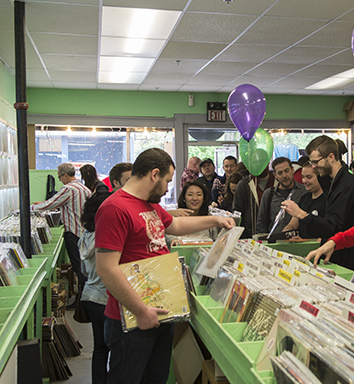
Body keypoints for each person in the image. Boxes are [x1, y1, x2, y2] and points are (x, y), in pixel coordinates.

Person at [95, 148, 235, 383]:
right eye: (168, 181)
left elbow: (176, 226)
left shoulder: (148, 205)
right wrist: (141, 311)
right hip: (132, 317)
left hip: (160, 311)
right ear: (154, 174)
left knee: (156, 377)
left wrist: (215, 219)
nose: (169, 187)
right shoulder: (115, 208)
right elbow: (106, 268)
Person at [284, 135, 354, 270]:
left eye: (316, 162)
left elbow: (332, 225)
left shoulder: (348, 185)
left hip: (346, 257)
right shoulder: (330, 181)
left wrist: (302, 215)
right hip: (334, 253)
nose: (314, 167)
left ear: (331, 157)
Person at [33, 163, 92, 291]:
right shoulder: (84, 188)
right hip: (84, 233)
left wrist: (29, 208)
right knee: (84, 268)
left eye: (59, 177)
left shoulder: (68, 189)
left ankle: (82, 304)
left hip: (73, 233)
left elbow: (50, 204)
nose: (59, 180)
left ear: (65, 175)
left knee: (78, 268)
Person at [78, 190, 112, 384]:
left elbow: (83, 269)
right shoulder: (108, 235)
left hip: (90, 295)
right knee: (117, 348)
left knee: (99, 348)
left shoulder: (85, 236)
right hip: (107, 297)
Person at [257, 157, 307, 235]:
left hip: (299, 241)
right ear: (275, 175)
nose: (284, 175)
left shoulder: (304, 191)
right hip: (274, 241)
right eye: (280, 173)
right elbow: (261, 223)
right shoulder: (269, 194)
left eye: (287, 171)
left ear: (292, 170)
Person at [283, 163, 327, 238]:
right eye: (303, 177)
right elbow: (292, 225)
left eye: (309, 177)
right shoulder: (304, 199)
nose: (304, 181)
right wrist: (287, 234)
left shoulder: (328, 200)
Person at [233, 164, 275, 238]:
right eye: (255, 162)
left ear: (267, 162)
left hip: (275, 236)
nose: (259, 165)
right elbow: (237, 212)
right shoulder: (244, 184)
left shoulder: (277, 182)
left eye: (261, 161)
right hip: (249, 237)